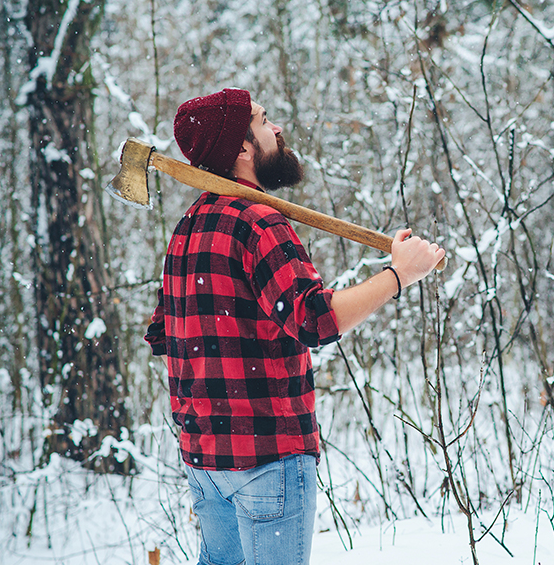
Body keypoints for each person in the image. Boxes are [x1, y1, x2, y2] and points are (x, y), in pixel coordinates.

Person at [144, 88, 444, 565]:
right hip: (267, 458)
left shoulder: (188, 228)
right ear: (241, 148)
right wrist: (399, 275)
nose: (277, 129)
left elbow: (167, 336)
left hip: (206, 460)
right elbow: (317, 319)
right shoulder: (258, 223)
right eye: (264, 121)